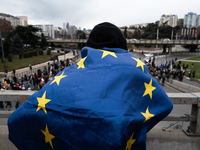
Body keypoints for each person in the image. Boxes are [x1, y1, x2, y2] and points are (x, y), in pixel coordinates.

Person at [8, 22, 173, 150]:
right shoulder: (135, 68)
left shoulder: (67, 72)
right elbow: (164, 104)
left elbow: (18, 118)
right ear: (122, 46)